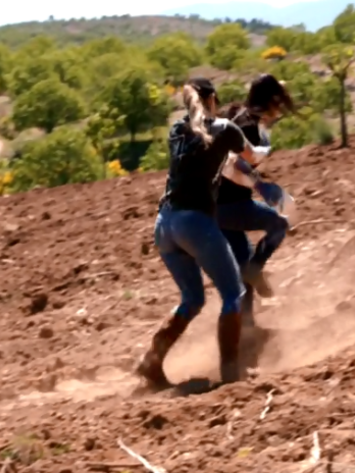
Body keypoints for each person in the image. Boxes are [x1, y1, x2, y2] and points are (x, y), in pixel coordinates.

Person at [135, 77, 270, 391]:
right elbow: (252, 157)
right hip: (196, 224)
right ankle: (231, 372)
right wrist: (265, 140)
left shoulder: (176, 131)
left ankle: (151, 362)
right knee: (233, 294)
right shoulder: (224, 128)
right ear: (213, 99)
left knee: (193, 298)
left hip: (165, 224)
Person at [217, 75, 296, 302]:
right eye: (278, 103)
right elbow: (235, 163)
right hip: (232, 204)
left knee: (242, 266)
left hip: (213, 206)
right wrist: (261, 185)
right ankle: (255, 269)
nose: (279, 110)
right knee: (279, 226)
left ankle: (247, 331)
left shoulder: (234, 114)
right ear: (270, 101)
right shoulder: (249, 127)